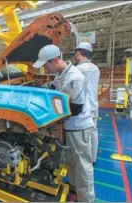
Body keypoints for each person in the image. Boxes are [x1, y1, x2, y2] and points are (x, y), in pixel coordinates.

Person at [33, 44, 95, 202]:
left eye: (45, 65)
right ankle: (74, 188)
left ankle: (86, 199)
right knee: (71, 161)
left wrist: (50, 117)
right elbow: (52, 89)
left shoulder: (75, 77)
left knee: (83, 166)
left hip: (80, 128)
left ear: (54, 60)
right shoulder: (60, 76)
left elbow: (75, 108)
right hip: (70, 127)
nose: (45, 69)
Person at [74, 42, 100, 164]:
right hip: (94, 105)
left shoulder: (78, 70)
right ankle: (93, 159)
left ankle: (85, 162)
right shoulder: (95, 68)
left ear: (79, 53)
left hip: (84, 108)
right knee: (93, 132)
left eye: (75, 53)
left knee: (83, 137)